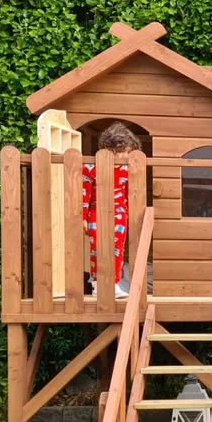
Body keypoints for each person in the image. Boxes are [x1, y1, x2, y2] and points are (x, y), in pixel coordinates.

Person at [83, 122, 140, 298]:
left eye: (128, 152)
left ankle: (114, 283)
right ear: (107, 148)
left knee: (118, 250)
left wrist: (128, 214)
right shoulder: (90, 168)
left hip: (119, 216)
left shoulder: (126, 169)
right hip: (95, 215)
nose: (124, 155)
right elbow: (84, 194)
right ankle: (97, 284)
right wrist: (83, 217)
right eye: (121, 151)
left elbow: (127, 194)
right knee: (97, 250)